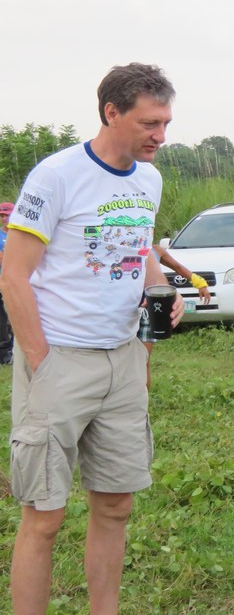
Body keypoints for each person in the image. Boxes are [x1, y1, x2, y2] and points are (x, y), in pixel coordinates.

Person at [0, 63, 183, 615]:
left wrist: (162, 289)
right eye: (149, 123)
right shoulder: (56, 176)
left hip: (122, 361)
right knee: (44, 516)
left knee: (116, 506)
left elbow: (138, 250)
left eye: (166, 123)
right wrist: (41, 361)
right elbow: (13, 275)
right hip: (59, 359)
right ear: (111, 112)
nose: (161, 136)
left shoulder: (148, 180)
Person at [0, 201, 13, 364]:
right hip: (3, 281)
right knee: (3, 318)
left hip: (21, 281)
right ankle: (5, 352)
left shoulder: (20, 234)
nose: (4, 218)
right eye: (2, 216)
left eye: (7, 215)